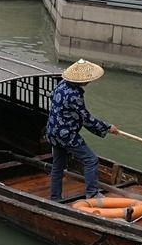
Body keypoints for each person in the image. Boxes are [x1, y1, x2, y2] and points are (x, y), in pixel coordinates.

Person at [45, 59, 119, 202]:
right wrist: (108, 128)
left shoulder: (61, 84)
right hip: (66, 135)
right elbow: (86, 118)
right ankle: (92, 194)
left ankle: (55, 197)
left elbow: (52, 97)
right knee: (91, 160)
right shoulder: (74, 95)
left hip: (53, 131)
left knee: (57, 165)